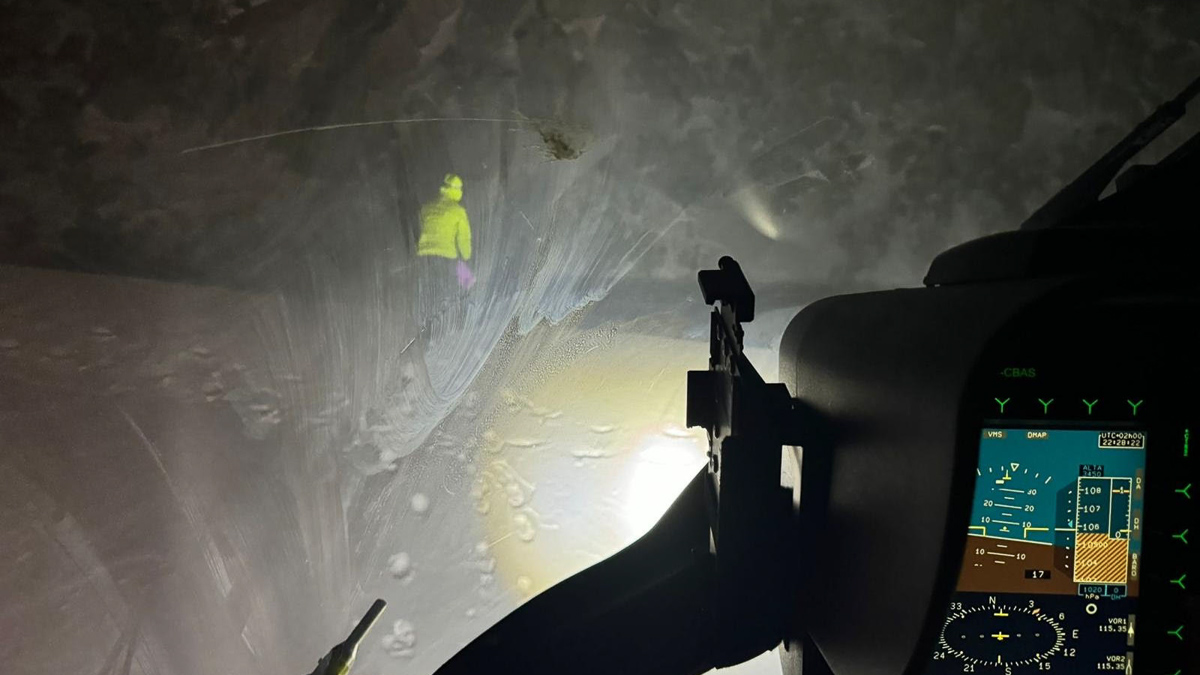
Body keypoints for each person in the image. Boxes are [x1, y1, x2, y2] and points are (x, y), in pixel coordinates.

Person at [414, 174, 474, 334]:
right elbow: (464, 240)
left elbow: (417, 230)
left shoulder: (427, 207)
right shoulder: (458, 212)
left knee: (428, 288)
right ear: (458, 191)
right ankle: (457, 323)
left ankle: (424, 325)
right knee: (463, 282)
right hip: (446, 256)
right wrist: (467, 258)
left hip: (424, 256)